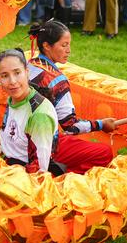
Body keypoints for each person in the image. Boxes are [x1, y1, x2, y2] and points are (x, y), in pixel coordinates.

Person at [26, 20, 116, 174]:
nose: (69, 50)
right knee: (105, 152)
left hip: (17, 136)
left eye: (69, 45)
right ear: (47, 46)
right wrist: (101, 124)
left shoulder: (27, 65)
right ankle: (61, 174)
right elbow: (71, 126)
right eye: (64, 45)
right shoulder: (56, 80)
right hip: (39, 143)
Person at [0, 49, 58, 173]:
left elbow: (39, 169)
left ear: (27, 72)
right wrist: (5, 144)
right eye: (5, 75)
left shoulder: (39, 115)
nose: (12, 81)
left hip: (25, 176)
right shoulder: (13, 99)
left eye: (17, 73)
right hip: (9, 163)